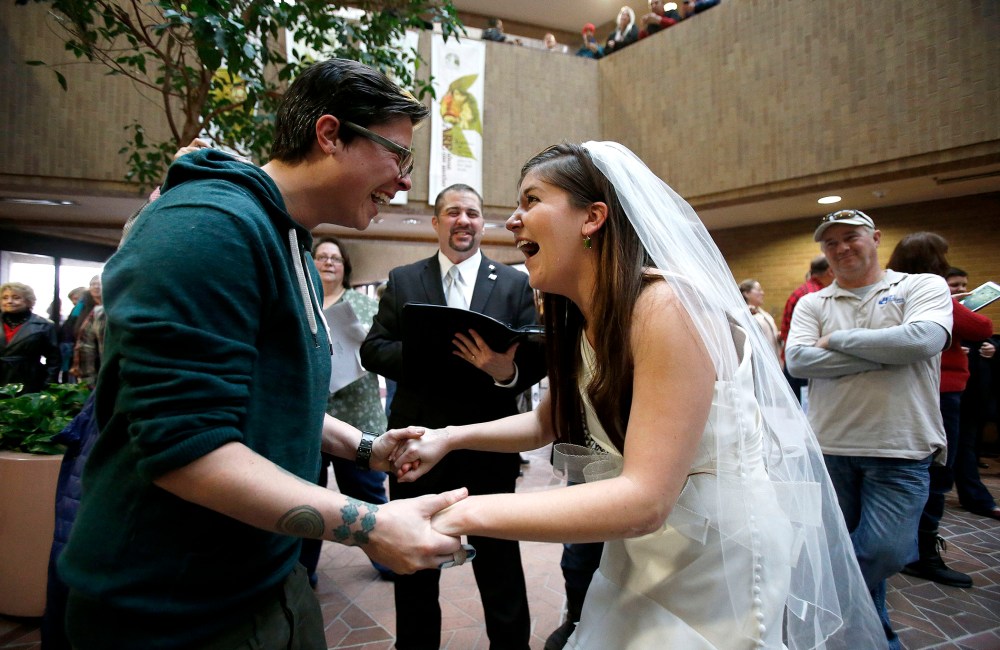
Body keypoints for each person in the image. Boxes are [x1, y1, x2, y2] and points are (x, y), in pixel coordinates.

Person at [389, 142, 883, 649]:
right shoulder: (584, 316)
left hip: (716, 558)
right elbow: (547, 423)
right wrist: (446, 438)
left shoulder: (666, 307)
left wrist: (457, 515)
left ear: (592, 218)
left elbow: (646, 499)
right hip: (645, 546)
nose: (513, 221)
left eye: (531, 200)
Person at [56, 58, 469, 650]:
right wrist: (368, 524)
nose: (405, 180)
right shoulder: (208, 225)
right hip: (170, 608)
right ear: (329, 134)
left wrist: (365, 447)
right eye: (397, 156)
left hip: (267, 577)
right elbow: (183, 449)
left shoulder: (288, 237)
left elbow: (272, 397)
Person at [361, 183, 546, 649]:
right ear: (436, 222)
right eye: (452, 212)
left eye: (472, 213)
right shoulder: (404, 279)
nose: (463, 220)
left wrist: (507, 371)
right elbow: (374, 349)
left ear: (483, 223)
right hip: (417, 444)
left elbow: (539, 356)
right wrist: (429, 358)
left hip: (488, 446)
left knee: (499, 561)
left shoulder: (514, 283)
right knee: (414, 563)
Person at [786, 209, 952, 650]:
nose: (841, 249)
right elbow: (798, 361)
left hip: (902, 446)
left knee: (886, 551)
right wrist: (886, 352)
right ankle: (877, 642)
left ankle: (803, 602)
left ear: (875, 238)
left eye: (851, 238)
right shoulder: (813, 303)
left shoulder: (920, 286)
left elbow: (922, 340)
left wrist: (838, 341)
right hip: (831, 448)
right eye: (831, 242)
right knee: (859, 553)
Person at [883, 233, 993, 589]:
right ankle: (922, 552)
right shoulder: (929, 290)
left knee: (921, 471)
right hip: (940, 392)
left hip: (914, 392)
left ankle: (912, 547)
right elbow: (980, 328)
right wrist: (954, 305)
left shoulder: (891, 290)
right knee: (937, 472)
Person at [298, 236, 395, 584]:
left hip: (359, 415)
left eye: (335, 258)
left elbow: (383, 349)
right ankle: (302, 569)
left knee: (368, 495)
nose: (327, 263)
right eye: (321, 256)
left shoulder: (362, 305)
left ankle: (387, 560)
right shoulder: (300, 302)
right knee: (306, 497)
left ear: (345, 267)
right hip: (308, 416)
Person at [779, 255, 833, 402]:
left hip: (796, 361)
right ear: (830, 271)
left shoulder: (800, 291)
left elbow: (785, 332)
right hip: (808, 365)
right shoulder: (816, 296)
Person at [1, 282, 60, 392]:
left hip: (29, 381)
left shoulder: (44, 325)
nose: (9, 301)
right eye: (5, 298)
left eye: (16, 297)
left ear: (28, 301)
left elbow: (54, 360)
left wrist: (49, 385)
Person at [738, 278, 781, 363]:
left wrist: (778, 336)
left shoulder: (763, 313)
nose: (762, 293)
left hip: (775, 359)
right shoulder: (742, 314)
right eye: (758, 290)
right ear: (746, 293)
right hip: (761, 361)